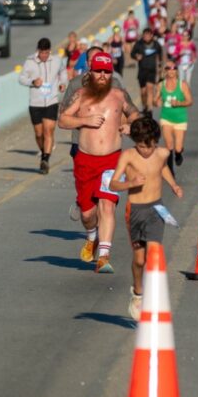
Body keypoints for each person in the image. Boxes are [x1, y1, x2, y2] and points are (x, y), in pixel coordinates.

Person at [58, 53, 139, 273]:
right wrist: (84, 120)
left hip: (112, 160)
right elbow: (63, 120)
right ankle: (92, 237)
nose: (102, 76)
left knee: (107, 205)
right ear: (91, 73)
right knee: (87, 214)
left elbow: (135, 115)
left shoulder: (119, 95)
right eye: (98, 71)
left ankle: (104, 255)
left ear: (111, 74)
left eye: (106, 72)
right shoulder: (81, 95)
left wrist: (132, 126)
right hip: (85, 160)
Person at [108, 115, 182, 319]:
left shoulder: (162, 153)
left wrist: (173, 184)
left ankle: (154, 296)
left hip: (156, 209)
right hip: (135, 210)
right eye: (141, 146)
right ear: (134, 141)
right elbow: (112, 184)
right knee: (139, 260)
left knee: (154, 251)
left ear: (156, 142)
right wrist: (130, 184)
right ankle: (138, 293)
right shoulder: (129, 156)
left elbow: (162, 167)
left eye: (150, 146)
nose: (146, 151)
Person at [19, 37, 67, 174]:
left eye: (46, 53)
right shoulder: (30, 62)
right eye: (42, 53)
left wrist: (63, 82)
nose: (44, 56)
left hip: (51, 100)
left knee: (49, 130)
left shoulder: (57, 60)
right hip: (36, 102)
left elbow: (63, 71)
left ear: (50, 51)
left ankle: (45, 159)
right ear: (38, 51)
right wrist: (33, 82)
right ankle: (43, 151)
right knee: (39, 133)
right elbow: (21, 78)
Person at [154, 60, 192, 175]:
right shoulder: (161, 85)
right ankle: (170, 170)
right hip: (166, 118)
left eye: (173, 68)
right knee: (169, 144)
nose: (171, 70)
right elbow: (155, 100)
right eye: (168, 68)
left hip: (180, 119)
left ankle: (179, 154)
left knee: (178, 147)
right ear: (165, 71)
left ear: (176, 70)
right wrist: (157, 102)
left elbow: (190, 101)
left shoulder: (182, 84)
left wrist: (179, 103)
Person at [130, 27, 164, 115]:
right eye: (145, 35)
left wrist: (160, 69)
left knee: (150, 88)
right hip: (142, 71)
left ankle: (149, 109)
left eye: (148, 35)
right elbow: (132, 54)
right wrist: (136, 56)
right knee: (143, 92)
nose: (146, 37)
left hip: (152, 70)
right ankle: (145, 106)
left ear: (151, 35)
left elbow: (160, 56)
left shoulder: (156, 44)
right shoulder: (139, 44)